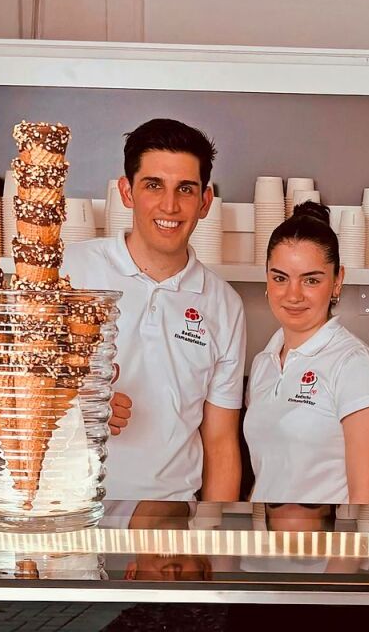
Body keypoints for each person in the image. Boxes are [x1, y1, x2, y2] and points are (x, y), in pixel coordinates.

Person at [63, 118, 245, 503]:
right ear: (127, 192)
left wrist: (212, 542)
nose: (170, 205)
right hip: (62, 510)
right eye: (153, 185)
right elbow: (7, 390)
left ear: (205, 201)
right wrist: (75, 404)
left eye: (185, 189)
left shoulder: (224, 305)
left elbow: (221, 443)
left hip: (168, 526)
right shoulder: (68, 271)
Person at [242, 201, 369, 504]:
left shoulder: (357, 366)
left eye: (311, 280)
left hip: (325, 550)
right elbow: (268, 475)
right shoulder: (264, 363)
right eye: (280, 278)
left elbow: (368, 500)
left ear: (337, 280)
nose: (293, 294)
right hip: (264, 547)